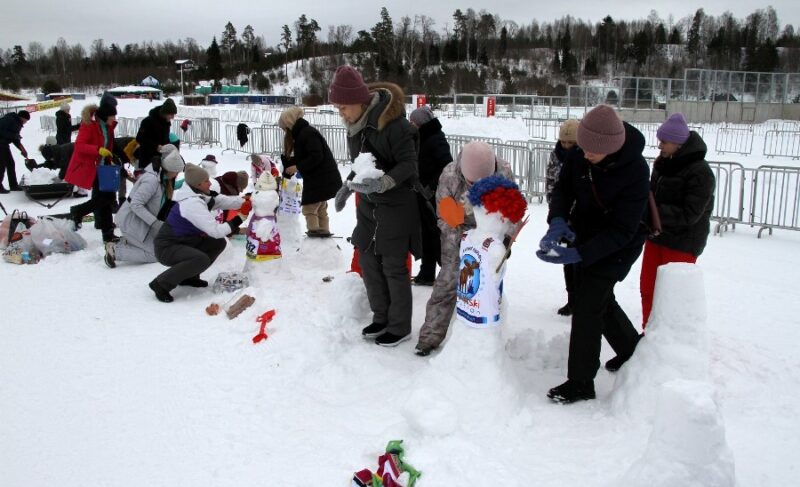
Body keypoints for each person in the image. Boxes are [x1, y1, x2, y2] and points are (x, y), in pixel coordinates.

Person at [537, 104, 649, 404]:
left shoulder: (636, 170)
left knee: (588, 304)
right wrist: (558, 220)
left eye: (592, 152)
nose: (584, 154)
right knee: (595, 298)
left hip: (618, 244)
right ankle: (631, 351)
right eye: (582, 148)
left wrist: (580, 254)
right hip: (584, 233)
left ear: (611, 148)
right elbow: (562, 190)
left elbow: (622, 230)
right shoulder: (580, 153)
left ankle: (581, 382)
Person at [330, 65, 421, 347]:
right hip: (369, 208)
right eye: (339, 109)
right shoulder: (356, 128)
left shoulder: (394, 125)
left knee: (393, 266)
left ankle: (399, 326)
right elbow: (362, 166)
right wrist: (348, 184)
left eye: (344, 107)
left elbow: (409, 165)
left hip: (396, 206)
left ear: (360, 101)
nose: (342, 114)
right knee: (368, 261)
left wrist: (383, 184)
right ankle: (381, 317)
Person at [414, 141, 515, 356]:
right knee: (448, 281)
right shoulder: (450, 176)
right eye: (471, 182)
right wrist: (462, 243)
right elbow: (444, 217)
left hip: (489, 232)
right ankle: (430, 335)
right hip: (459, 231)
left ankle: (487, 336)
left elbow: (511, 210)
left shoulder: (503, 173)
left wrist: (504, 239)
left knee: (487, 283)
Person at [639, 113, 715, 329]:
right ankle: (649, 332)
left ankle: (672, 338)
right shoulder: (662, 164)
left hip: (683, 242)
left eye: (664, 142)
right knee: (648, 288)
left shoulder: (701, 172)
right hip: (656, 236)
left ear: (678, 144)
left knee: (673, 295)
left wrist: (652, 211)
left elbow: (690, 214)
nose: (659, 146)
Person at [149, 164, 246, 303]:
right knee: (201, 259)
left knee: (217, 243)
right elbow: (216, 231)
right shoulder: (191, 204)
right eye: (207, 181)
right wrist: (238, 219)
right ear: (198, 184)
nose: (210, 183)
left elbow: (222, 200)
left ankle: (189, 277)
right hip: (167, 247)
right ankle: (161, 284)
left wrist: (247, 201)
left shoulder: (198, 194)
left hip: (183, 241)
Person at [104, 144, 185, 268]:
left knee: (161, 244)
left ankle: (128, 241)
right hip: (131, 221)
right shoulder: (151, 181)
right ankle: (115, 251)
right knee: (155, 254)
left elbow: (163, 192)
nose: (177, 175)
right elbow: (136, 204)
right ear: (169, 169)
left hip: (142, 223)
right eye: (176, 172)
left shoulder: (161, 177)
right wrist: (155, 223)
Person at [278, 106, 342, 237]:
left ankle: (315, 234)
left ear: (290, 122)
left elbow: (316, 156)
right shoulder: (303, 133)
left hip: (321, 178)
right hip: (321, 178)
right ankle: (324, 232)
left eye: (285, 128)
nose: (285, 131)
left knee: (309, 208)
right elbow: (307, 155)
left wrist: (297, 167)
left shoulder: (307, 133)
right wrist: (290, 161)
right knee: (321, 208)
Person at [64, 94, 120, 242]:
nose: (114, 119)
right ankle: (78, 211)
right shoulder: (89, 124)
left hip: (105, 167)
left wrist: (112, 157)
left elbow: (110, 145)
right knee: (106, 198)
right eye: (112, 116)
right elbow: (79, 145)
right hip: (92, 167)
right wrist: (98, 150)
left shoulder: (108, 126)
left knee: (106, 199)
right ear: (105, 115)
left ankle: (107, 233)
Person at [408, 105, 452, 285]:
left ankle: (448, 273)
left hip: (432, 197)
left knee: (435, 235)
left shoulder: (435, 138)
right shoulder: (420, 137)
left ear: (421, 123)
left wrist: (430, 187)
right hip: (421, 194)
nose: (410, 125)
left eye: (413, 122)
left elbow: (446, 165)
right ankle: (426, 273)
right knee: (425, 234)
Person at [546, 119, 579, 316]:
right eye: (563, 142)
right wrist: (555, 213)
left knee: (579, 259)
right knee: (566, 259)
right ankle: (572, 298)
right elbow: (550, 183)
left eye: (571, 143)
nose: (566, 146)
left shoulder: (584, 157)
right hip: (562, 217)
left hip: (580, 218)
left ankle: (582, 297)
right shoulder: (555, 155)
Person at [135, 98, 177, 170]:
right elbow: (140, 138)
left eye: (174, 115)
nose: (173, 117)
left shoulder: (166, 123)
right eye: (171, 114)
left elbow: (165, 139)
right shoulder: (147, 121)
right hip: (147, 159)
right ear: (164, 113)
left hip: (161, 159)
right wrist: (156, 146)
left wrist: (169, 146)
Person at [0, 109, 30, 193]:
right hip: (1, 144)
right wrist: (15, 136)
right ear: (22, 118)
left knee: (10, 163)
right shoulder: (10, 119)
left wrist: (22, 149)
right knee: (1, 165)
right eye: (26, 120)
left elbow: (15, 139)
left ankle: (13, 185)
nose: (25, 122)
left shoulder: (16, 122)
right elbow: (2, 131)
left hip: (4, 144)